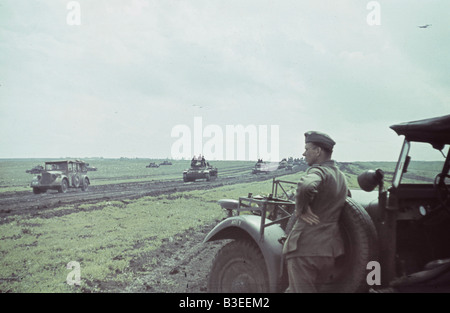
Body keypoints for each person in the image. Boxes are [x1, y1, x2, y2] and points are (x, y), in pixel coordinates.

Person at [282, 131, 348, 293]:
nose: (304, 153)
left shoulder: (318, 171)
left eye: (307, 148)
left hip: (305, 249)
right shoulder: (341, 177)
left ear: (318, 151)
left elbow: (306, 186)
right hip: (327, 252)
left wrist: (301, 209)